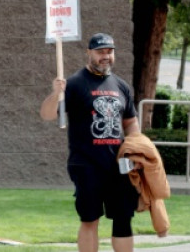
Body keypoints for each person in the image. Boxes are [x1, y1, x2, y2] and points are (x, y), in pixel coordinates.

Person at [39, 32, 140, 252]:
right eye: (100, 51)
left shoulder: (121, 86)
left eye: (109, 51)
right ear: (89, 53)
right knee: (90, 219)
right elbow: (47, 114)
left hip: (119, 166)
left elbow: (130, 122)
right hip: (86, 165)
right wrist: (56, 94)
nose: (106, 56)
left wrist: (135, 148)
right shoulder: (74, 84)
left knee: (123, 219)